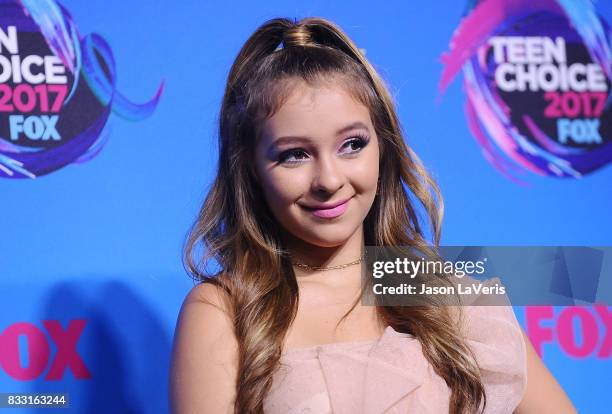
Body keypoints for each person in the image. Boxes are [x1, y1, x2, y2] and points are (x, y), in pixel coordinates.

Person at [169, 17, 577, 414]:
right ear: (251, 170)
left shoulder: (451, 296)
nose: (328, 179)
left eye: (351, 145)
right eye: (295, 154)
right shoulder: (223, 310)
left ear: (383, 148)